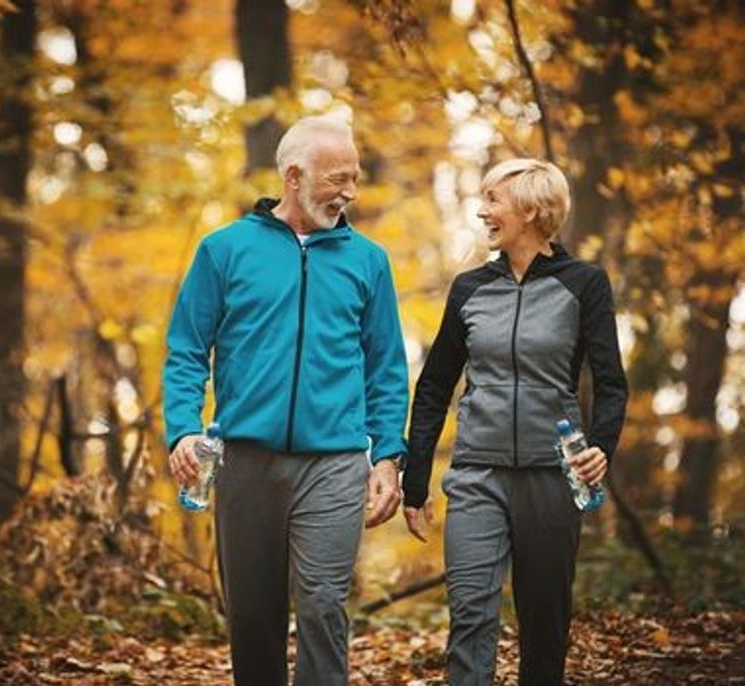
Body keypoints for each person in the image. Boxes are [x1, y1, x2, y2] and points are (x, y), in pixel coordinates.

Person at [163, 115, 409, 686]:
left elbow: (386, 368)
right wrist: (183, 428)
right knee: (253, 615)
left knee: (323, 604)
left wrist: (388, 456)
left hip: (335, 462)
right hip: (245, 458)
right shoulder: (224, 250)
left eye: (355, 177)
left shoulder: (368, 260)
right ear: (293, 176)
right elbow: (186, 349)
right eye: (337, 178)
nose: (350, 192)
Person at [402, 158, 628, 685]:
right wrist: (416, 480)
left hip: (553, 475)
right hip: (477, 475)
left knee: (544, 627)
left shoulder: (584, 284)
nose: (483, 212)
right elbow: (434, 387)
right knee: (470, 618)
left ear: (530, 209)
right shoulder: (469, 288)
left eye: (493, 200)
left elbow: (611, 383)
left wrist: (601, 446)